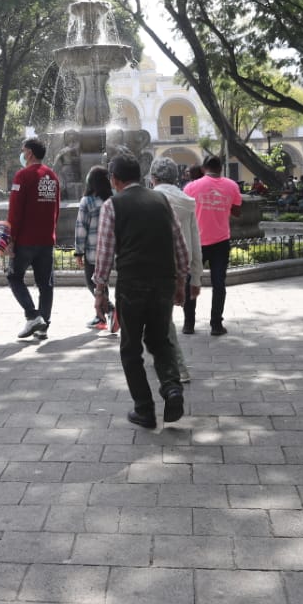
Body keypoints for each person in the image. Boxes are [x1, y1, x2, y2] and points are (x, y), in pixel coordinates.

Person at [92, 154, 189, 429]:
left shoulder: (112, 205)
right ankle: (171, 388)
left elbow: (105, 253)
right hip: (163, 281)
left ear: (115, 180)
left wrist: (100, 291)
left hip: (132, 283)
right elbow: (179, 244)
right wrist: (181, 282)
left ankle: (144, 409)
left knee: (131, 348)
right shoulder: (162, 201)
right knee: (160, 340)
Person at [148, 157, 202, 383]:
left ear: (153, 178)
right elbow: (195, 239)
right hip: (182, 265)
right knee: (160, 318)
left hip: (157, 266)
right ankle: (161, 357)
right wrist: (196, 277)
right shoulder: (187, 201)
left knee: (163, 321)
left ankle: (178, 368)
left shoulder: (151, 199)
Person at [182, 154, 243, 336]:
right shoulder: (232, 186)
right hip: (221, 242)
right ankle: (216, 324)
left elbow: (185, 212)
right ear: (221, 168)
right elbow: (238, 212)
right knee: (219, 284)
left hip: (197, 242)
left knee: (191, 282)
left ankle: (188, 324)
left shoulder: (191, 187)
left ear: (203, 169)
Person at [7, 137, 61, 340]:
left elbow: (15, 211)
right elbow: (56, 209)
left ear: (28, 152)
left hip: (25, 241)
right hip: (46, 240)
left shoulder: (22, 176)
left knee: (14, 277)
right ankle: (43, 325)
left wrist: (10, 239)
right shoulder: (52, 176)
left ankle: (32, 315)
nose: (22, 153)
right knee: (45, 284)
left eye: (23, 150)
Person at [74, 165, 114, 331]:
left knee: (92, 283)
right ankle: (101, 317)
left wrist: (78, 252)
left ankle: (111, 310)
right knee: (102, 283)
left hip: (93, 252)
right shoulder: (112, 199)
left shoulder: (87, 201)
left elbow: (81, 228)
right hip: (110, 251)